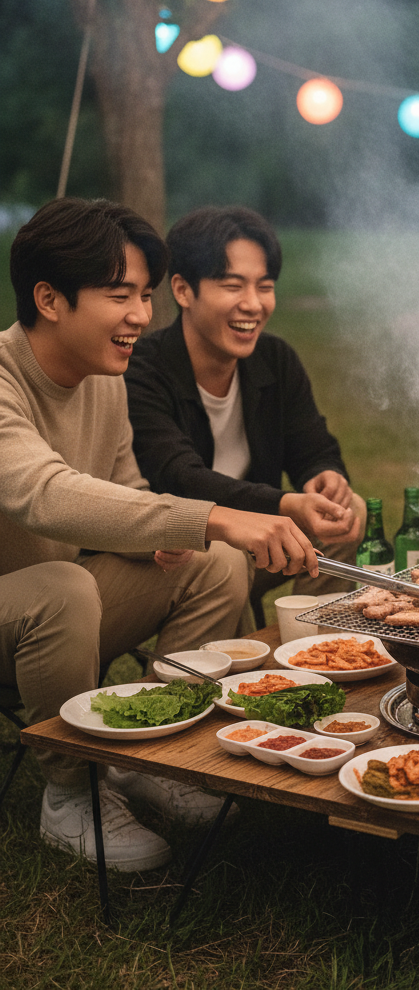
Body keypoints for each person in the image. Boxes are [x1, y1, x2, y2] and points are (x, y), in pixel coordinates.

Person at [2, 198, 319, 871]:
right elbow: (45, 495)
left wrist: (164, 536)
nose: (143, 317)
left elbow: (127, 494)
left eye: (145, 296)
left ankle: (147, 751)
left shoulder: (101, 379)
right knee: (64, 587)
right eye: (121, 296)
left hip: (66, 617)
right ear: (50, 299)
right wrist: (208, 515)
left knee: (215, 565)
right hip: (27, 614)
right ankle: (68, 790)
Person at [125, 206, 365, 606]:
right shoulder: (143, 371)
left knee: (346, 511)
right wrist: (285, 504)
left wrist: (324, 475)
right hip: (180, 552)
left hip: (262, 540)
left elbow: (313, 446)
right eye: (233, 286)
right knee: (221, 553)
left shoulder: (274, 359)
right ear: (183, 289)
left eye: (264, 286)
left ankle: (318, 647)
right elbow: (180, 477)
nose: (253, 304)